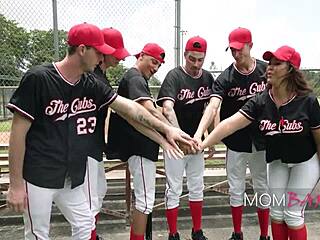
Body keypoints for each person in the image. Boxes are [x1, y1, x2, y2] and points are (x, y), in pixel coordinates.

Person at [6, 23, 193, 240]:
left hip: (70, 175)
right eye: (99, 50)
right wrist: (16, 184)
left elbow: (129, 108)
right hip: (39, 174)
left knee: (85, 224)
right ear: (82, 49)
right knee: (38, 235)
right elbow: (17, 133)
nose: (103, 55)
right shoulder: (39, 78)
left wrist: (166, 131)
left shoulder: (90, 83)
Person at [201, 45, 320, 240]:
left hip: (304, 162)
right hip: (277, 161)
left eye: (276, 64)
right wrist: (201, 144)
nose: (269, 68)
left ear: (291, 70)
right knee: (276, 213)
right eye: (270, 63)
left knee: (292, 215)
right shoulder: (261, 100)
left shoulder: (307, 101)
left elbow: (319, 141)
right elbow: (230, 124)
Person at [195, 27, 270, 240]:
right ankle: (237, 233)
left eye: (240, 49)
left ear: (251, 46)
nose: (236, 54)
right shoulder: (226, 77)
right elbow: (213, 106)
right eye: (233, 50)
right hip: (236, 141)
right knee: (236, 188)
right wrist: (201, 133)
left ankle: (265, 235)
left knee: (261, 185)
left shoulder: (266, 71)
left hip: (262, 140)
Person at [107, 42, 178, 240]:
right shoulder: (134, 77)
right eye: (153, 61)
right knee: (145, 201)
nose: (155, 68)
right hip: (138, 147)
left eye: (159, 65)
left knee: (144, 200)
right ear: (141, 56)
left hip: (141, 146)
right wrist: (173, 132)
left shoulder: (136, 78)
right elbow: (149, 109)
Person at [156, 36, 214, 240]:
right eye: (192, 59)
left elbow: (211, 108)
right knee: (174, 188)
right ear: (185, 55)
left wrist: (210, 137)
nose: (196, 64)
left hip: (196, 143)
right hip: (175, 142)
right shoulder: (174, 76)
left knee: (197, 186)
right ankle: (173, 234)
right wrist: (181, 138)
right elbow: (167, 109)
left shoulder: (207, 78)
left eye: (200, 59)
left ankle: (197, 231)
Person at [83, 27, 131, 239]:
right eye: (116, 53)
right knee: (91, 198)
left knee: (98, 192)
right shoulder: (93, 78)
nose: (120, 58)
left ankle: (93, 234)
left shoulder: (99, 75)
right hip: (84, 147)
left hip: (94, 146)